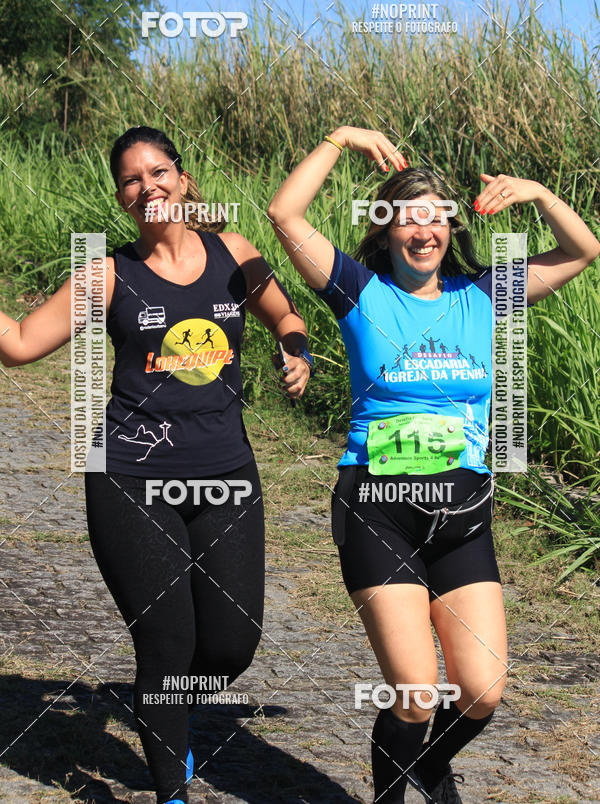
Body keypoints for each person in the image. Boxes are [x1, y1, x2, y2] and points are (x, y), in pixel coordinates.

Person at [267, 125, 600, 803]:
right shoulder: (358, 290)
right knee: (417, 693)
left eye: (436, 218)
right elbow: (285, 214)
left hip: (461, 517)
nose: (424, 232)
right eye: (407, 219)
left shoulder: (485, 295)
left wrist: (538, 193)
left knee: (481, 690)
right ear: (385, 230)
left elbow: (582, 249)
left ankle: (428, 764)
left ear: (452, 228)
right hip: (377, 511)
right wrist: (339, 139)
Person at [0, 126, 313, 804]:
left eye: (158, 172)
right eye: (131, 180)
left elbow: (283, 314)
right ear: (121, 197)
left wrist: (297, 350)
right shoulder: (109, 274)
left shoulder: (234, 253)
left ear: (183, 177)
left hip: (225, 473)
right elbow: (20, 344)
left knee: (231, 645)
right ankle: (171, 782)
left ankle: (162, 708)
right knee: (167, 642)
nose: (148, 187)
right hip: (130, 477)